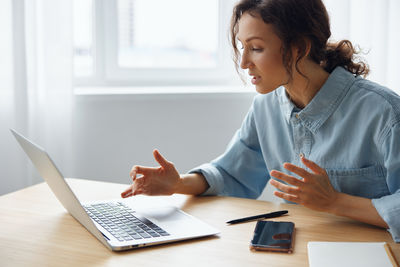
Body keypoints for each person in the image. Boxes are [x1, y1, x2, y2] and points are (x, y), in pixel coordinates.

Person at [121, 0, 400, 242]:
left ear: (299, 48)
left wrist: (335, 201)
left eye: (255, 48)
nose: (243, 62)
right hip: (294, 252)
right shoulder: (266, 106)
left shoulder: (384, 112)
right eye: (242, 46)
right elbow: (232, 174)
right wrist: (177, 184)